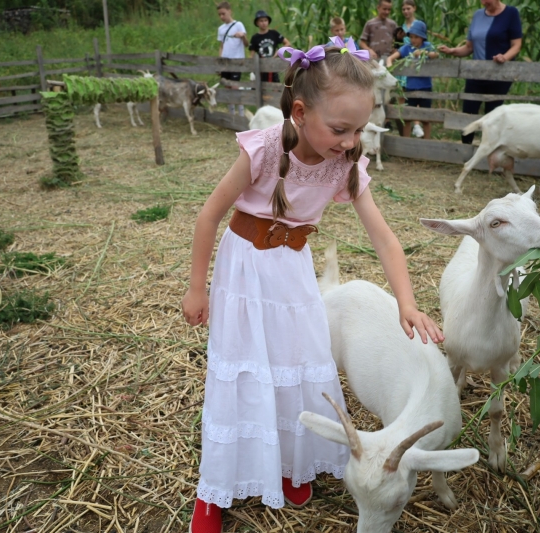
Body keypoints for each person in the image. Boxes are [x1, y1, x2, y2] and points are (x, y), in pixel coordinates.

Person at [181, 40, 443, 533]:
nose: (349, 141)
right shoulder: (260, 149)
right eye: (340, 129)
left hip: (293, 271)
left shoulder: (346, 164)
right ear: (300, 112)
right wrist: (198, 288)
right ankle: (213, 490)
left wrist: (407, 303)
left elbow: (385, 239)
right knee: (242, 371)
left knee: (296, 364)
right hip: (244, 272)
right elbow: (209, 215)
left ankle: (291, 464)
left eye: (359, 129)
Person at [437, 0, 522, 144]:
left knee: (493, 115)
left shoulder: (511, 13)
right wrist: (452, 51)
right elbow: (469, 47)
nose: (483, 3)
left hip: (499, 74)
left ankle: (488, 152)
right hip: (475, 74)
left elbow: (516, 45)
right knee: (468, 112)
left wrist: (504, 57)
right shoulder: (477, 15)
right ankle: (465, 151)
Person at [386, 20, 438, 139]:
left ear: (422, 37)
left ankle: (427, 144)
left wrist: (423, 52)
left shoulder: (428, 46)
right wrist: (389, 66)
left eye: (416, 37)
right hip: (410, 88)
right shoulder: (407, 48)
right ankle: (406, 142)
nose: (413, 40)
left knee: (426, 118)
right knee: (408, 117)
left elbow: (436, 54)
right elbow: (391, 58)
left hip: (426, 87)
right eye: (411, 37)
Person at [216, 1, 248, 116]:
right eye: (220, 14)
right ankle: (231, 114)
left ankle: (241, 114)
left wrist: (242, 36)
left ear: (229, 11)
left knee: (235, 87)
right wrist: (220, 62)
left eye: (223, 14)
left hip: (236, 60)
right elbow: (221, 46)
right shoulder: (221, 29)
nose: (221, 17)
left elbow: (246, 44)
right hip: (225, 61)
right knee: (227, 87)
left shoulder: (239, 25)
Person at [248, 10, 290, 83]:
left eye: (265, 20)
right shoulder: (255, 38)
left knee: (276, 86)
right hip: (261, 66)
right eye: (261, 21)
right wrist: (251, 69)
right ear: (257, 23)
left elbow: (287, 43)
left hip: (273, 64)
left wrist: (278, 52)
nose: (264, 23)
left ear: (268, 21)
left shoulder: (274, 33)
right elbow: (251, 54)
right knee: (260, 87)